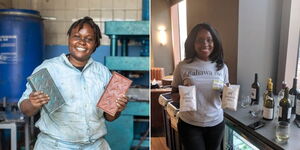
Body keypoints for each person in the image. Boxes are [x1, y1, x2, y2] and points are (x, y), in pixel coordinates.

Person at [18, 16, 128, 150]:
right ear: (69, 39)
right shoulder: (48, 68)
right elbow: (25, 109)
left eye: (89, 39)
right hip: (54, 145)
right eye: (77, 36)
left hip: (95, 146)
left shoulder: (103, 73)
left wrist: (117, 109)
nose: (82, 42)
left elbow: (109, 117)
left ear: (95, 45)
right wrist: (32, 103)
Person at [171, 23, 229, 150]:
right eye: (200, 40)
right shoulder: (182, 66)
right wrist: (184, 92)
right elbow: (174, 95)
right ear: (193, 42)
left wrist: (227, 94)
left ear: (215, 43)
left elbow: (223, 94)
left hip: (216, 123)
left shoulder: (222, 67)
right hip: (190, 124)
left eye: (209, 40)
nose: (205, 44)